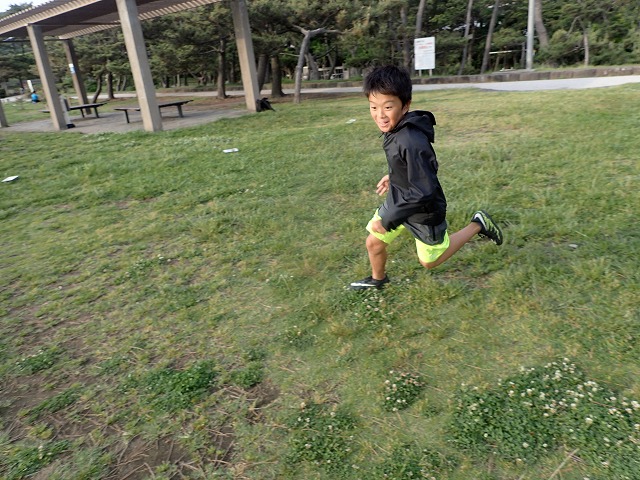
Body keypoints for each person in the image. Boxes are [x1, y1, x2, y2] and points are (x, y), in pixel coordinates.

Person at [349, 65, 504, 290]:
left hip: (423, 211)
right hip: (399, 199)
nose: (380, 115)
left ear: (405, 105)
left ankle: (478, 225)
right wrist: (394, 176)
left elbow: (424, 189)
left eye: (388, 107)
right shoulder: (395, 129)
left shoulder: (411, 141)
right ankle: (378, 279)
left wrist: (388, 220)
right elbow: (413, 166)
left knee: (430, 261)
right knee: (374, 241)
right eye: (373, 107)